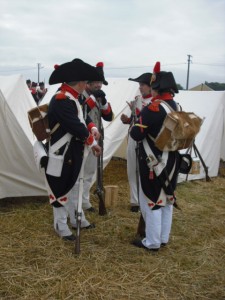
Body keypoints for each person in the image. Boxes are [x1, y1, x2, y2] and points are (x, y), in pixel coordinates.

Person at [43, 58, 102, 241]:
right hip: (61, 153)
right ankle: (60, 226)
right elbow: (74, 125)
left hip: (73, 151)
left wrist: (92, 127)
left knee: (73, 185)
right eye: (84, 82)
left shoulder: (74, 99)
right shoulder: (61, 99)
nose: (86, 84)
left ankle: (76, 218)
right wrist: (92, 142)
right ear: (79, 83)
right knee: (60, 188)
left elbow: (83, 118)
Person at [130, 62, 181, 251]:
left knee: (151, 200)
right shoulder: (176, 105)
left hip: (154, 160)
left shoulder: (153, 108)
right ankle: (163, 238)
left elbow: (136, 134)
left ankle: (152, 242)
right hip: (173, 160)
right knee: (167, 199)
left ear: (157, 88)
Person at [77, 62, 113, 212]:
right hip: (82, 139)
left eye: (100, 83)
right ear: (88, 83)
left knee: (90, 172)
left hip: (96, 139)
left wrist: (103, 103)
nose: (99, 85)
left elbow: (109, 116)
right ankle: (78, 202)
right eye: (96, 82)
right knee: (80, 173)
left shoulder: (98, 96)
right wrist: (93, 98)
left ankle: (84, 201)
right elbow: (81, 112)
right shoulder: (80, 96)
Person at [120, 73, 152, 212]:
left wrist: (139, 114)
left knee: (144, 171)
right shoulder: (137, 99)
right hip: (133, 137)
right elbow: (134, 120)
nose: (140, 87)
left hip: (147, 141)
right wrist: (127, 120)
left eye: (143, 85)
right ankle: (134, 201)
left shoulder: (155, 102)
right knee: (131, 169)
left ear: (151, 86)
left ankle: (144, 199)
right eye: (139, 85)